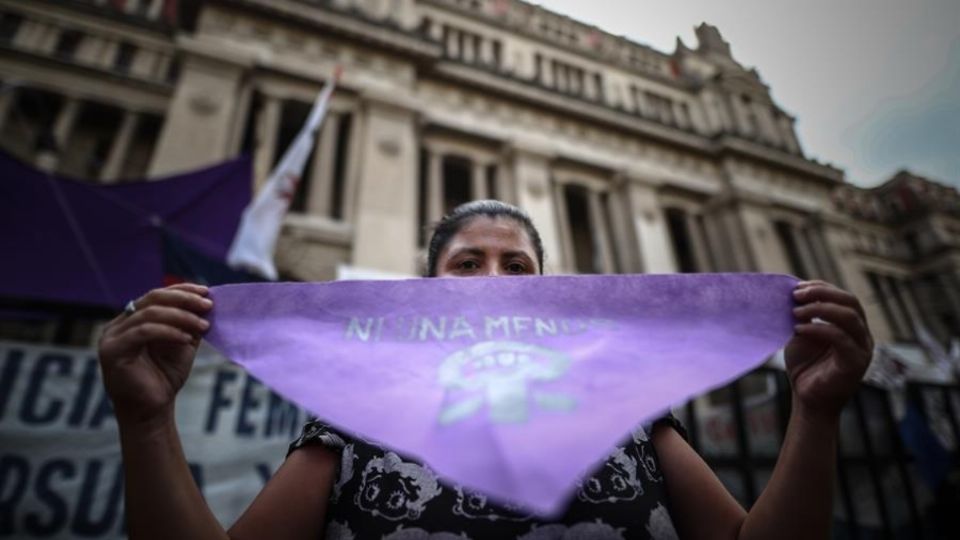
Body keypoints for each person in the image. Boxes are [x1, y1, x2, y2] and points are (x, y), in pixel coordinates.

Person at [98, 200, 874, 539]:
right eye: (467, 264)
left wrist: (816, 415)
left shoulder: (630, 410)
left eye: (518, 265)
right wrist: (147, 421)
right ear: (428, 289)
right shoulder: (354, 414)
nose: (495, 282)